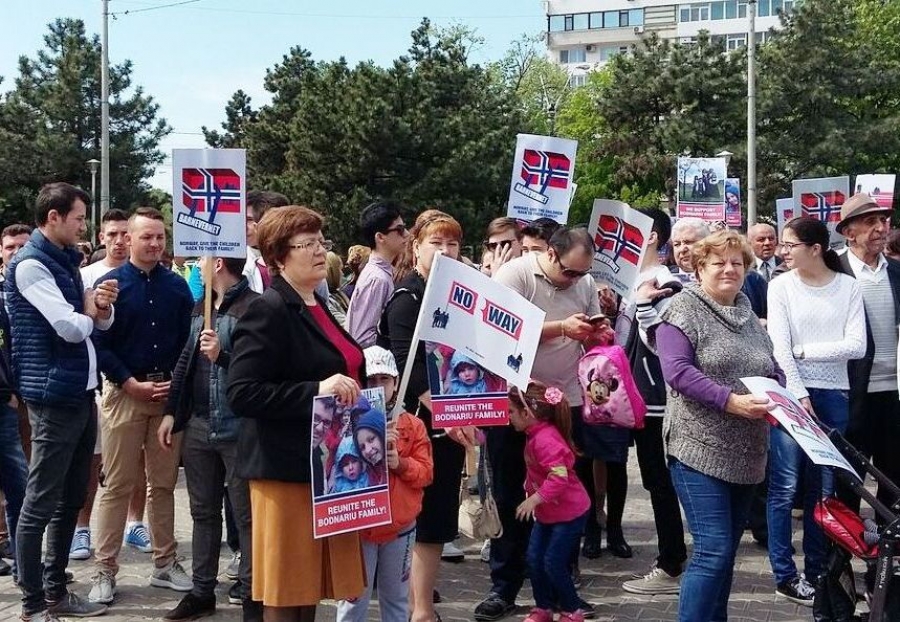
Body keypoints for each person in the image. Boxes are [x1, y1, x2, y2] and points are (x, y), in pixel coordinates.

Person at [227, 205, 366, 621]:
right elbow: (243, 392)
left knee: (308, 589)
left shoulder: (320, 304)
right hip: (285, 471)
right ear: (279, 256)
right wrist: (316, 391)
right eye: (307, 244)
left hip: (325, 467)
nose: (320, 251)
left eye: (321, 241)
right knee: (287, 593)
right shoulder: (268, 308)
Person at [652, 230, 783, 622]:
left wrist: (782, 397)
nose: (729, 269)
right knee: (713, 550)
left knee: (725, 556)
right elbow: (677, 373)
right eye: (719, 262)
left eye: (737, 263)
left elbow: (771, 367)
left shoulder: (748, 312)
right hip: (698, 448)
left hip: (747, 452)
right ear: (699, 267)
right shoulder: (681, 310)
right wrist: (730, 401)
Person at [6, 182, 118, 619]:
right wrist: (89, 311)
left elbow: (90, 326)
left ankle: (56, 592)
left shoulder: (64, 261)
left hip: (79, 392)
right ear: (53, 218)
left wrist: (100, 309)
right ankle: (33, 605)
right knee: (39, 503)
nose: (83, 225)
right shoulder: (32, 264)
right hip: (53, 398)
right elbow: (69, 328)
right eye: (77, 217)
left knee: (72, 497)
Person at [486, 227, 609, 621]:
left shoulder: (585, 280)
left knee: (565, 486)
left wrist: (597, 334)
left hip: (567, 400)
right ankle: (504, 585)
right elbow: (500, 335)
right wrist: (560, 328)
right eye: (571, 273)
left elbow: (586, 338)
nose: (576, 280)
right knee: (510, 493)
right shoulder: (515, 276)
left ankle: (559, 588)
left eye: (582, 274)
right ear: (552, 255)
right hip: (516, 402)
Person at [89, 207, 194, 604]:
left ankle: (165, 563)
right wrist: (127, 381)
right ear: (127, 239)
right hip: (125, 395)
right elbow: (97, 342)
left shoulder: (178, 288)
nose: (153, 244)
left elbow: (187, 340)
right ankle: (104, 569)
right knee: (117, 485)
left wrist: (175, 385)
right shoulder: (109, 285)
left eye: (159, 237)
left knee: (163, 485)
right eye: (146, 237)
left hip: (167, 397)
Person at [765, 215, 866, 605]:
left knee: (822, 490)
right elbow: (779, 348)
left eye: (790, 245)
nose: (783, 251)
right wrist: (798, 391)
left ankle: (819, 570)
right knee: (785, 486)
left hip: (834, 396)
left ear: (815, 249)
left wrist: (806, 352)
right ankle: (784, 574)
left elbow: (856, 345)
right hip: (790, 396)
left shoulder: (848, 289)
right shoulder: (780, 287)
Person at [156, 255, 260, 621]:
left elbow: (260, 369)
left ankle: (252, 596)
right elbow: (186, 361)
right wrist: (172, 411)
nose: (197, 265)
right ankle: (202, 591)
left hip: (238, 427)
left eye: (202, 260)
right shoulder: (202, 306)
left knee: (246, 517)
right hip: (200, 424)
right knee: (202, 512)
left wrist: (224, 355)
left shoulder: (253, 308)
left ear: (217, 264)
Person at [381, 211, 473, 622]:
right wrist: (450, 412)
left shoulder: (461, 295)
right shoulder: (406, 297)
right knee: (409, 516)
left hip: (451, 423)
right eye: (436, 243)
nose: (445, 251)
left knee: (436, 519)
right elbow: (408, 367)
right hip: (418, 425)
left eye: (452, 244)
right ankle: (408, 606)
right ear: (416, 247)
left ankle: (421, 609)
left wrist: (472, 408)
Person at [73, 208, 152, 563]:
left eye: (125, 234)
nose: (120, 241)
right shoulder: (85, 276)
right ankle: (82, 528)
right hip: (98, 383)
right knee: (94, 460)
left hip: (133, 383)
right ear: (101, 239)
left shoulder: (147, 278)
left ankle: (136, 522)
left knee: (138, 462)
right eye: (113, 235)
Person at [616, 209, 688, 596]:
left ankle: (672, 565)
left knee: (662, 483)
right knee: (655, 480)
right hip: (641, 398)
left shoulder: (664, 282)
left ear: (649, 237)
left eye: (629, 231)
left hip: (659, 400)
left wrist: (643, 308)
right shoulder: (634, 280)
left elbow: (666, 344)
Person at [335, 345, 433, 622]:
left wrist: (399, 464)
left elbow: (426, 473)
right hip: (359, 529)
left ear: (396, 382)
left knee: (396, 603)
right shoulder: (343, 424)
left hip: (400, 530)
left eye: (384, 379)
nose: (378, 386)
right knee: (352, 603)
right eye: (371, 380)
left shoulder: (413, 425)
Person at [834, 193, 900, 521]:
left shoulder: (896, 272)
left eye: (883, 221)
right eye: (870, 222)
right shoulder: (833, 271)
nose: (880, 228)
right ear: (849, 232)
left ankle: (885, 564)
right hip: (850, 396)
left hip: (894, 395)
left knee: (894, 482)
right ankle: (841, 562)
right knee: (848, 483)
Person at [509, 381, 590, 622]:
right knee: (534, 559)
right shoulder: (534, 434)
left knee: (553, 561)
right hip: (549, 513)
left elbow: (559, 477)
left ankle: (573, 609)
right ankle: (543, 608)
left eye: (511, 412)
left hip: (569, 513)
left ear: (527, 413)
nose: (508, 417)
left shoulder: (545, 440)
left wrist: (534, 499)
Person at [0, 223, 31, 576]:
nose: (17, 252)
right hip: (7, 398)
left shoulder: (35, 287)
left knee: (22, 482)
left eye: (23, 246)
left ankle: (28, 566)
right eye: (10, 247)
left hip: (28, 395)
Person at [345, 201, 408, 348]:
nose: (407, 234)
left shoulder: (383, 274)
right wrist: (402, 344)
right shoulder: (377, 279)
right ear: (380, 237)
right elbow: (362, 337)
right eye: (400, 230)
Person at [243, 189, 289, 293]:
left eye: (249, 220)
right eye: (242, 219)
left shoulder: (300, 261)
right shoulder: (238, 264)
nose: (244, 227)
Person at [354, 408, 388, 486]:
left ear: (382, 433)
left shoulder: (404, 455)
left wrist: (400, 466)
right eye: (362, 447)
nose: (367, 450)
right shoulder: (369, 476)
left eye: (371, 439)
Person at [325, 251, 350, 325]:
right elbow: (345, 324)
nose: (342, 273)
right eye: (340, 269)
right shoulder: (327, 299)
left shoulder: (338, 293)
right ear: (332, 272)